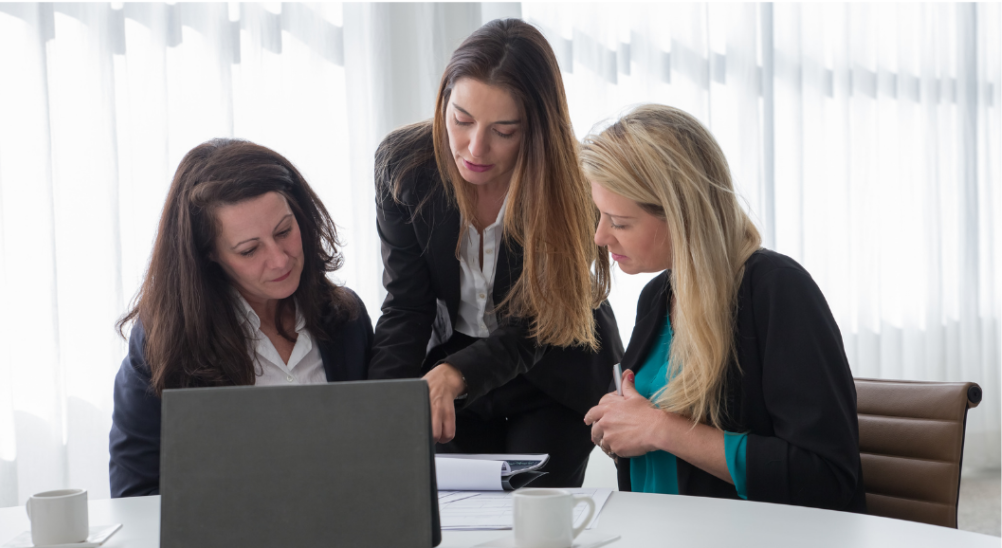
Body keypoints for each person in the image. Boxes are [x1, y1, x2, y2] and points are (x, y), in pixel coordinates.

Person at [369, 18, 624, 487]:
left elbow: (539, 322)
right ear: (444, 101)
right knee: (457, 508)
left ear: (536, 128)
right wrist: (379, 407)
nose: (474, 148)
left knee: (533, 511)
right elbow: (406, 303)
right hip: (453, 367)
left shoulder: (576, 178)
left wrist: (456, 373)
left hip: (553, 367)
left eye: (503, 131)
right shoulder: (403, 166)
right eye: (461, 120)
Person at [581, 104, 865, 511]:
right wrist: (623, 427)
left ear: (682, 214)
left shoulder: (777, 290)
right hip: (655, 529)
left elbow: (824, 478)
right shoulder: (657, 296)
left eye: (619, 222)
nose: (600, 236)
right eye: (600, 216)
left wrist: (660, 429)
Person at [109, 139, 372, 497]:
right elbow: (135, 494)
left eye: (284, 231)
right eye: (249, 250)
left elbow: (377, 452)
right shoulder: (163, 342)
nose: (279, 260)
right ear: (209, 255)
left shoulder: (345, 317)